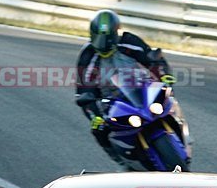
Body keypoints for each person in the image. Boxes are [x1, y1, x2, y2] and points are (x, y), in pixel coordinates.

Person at [75, 9, 175, 162]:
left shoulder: (130, 42)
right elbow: (83, 89)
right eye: (98, 38)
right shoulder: (87, 55)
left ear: (116, 33)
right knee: (99, 130)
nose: (103, 45)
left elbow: (152, 58)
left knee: (167, 98)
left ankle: (178, 124)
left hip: (140, 87)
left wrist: (164, 75)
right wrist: (95, 115)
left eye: (107, 39)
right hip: (111, 101)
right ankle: (120, 160)